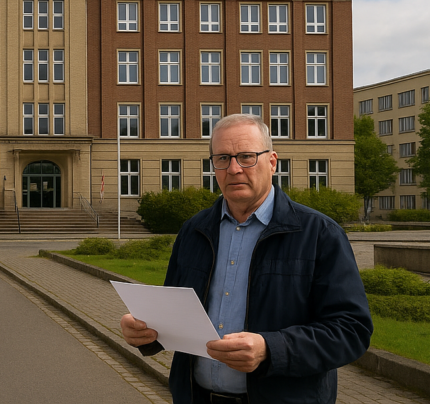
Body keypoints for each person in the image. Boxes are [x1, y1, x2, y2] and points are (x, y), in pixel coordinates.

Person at [120, 113, 372, 404]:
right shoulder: (193, 230)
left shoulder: (319, 234)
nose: (235, 169)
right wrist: (145, 331)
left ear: (272, 162)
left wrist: (270, 348)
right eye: (223, 158)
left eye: (247, 156)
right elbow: (174, 314)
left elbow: (351, 330)